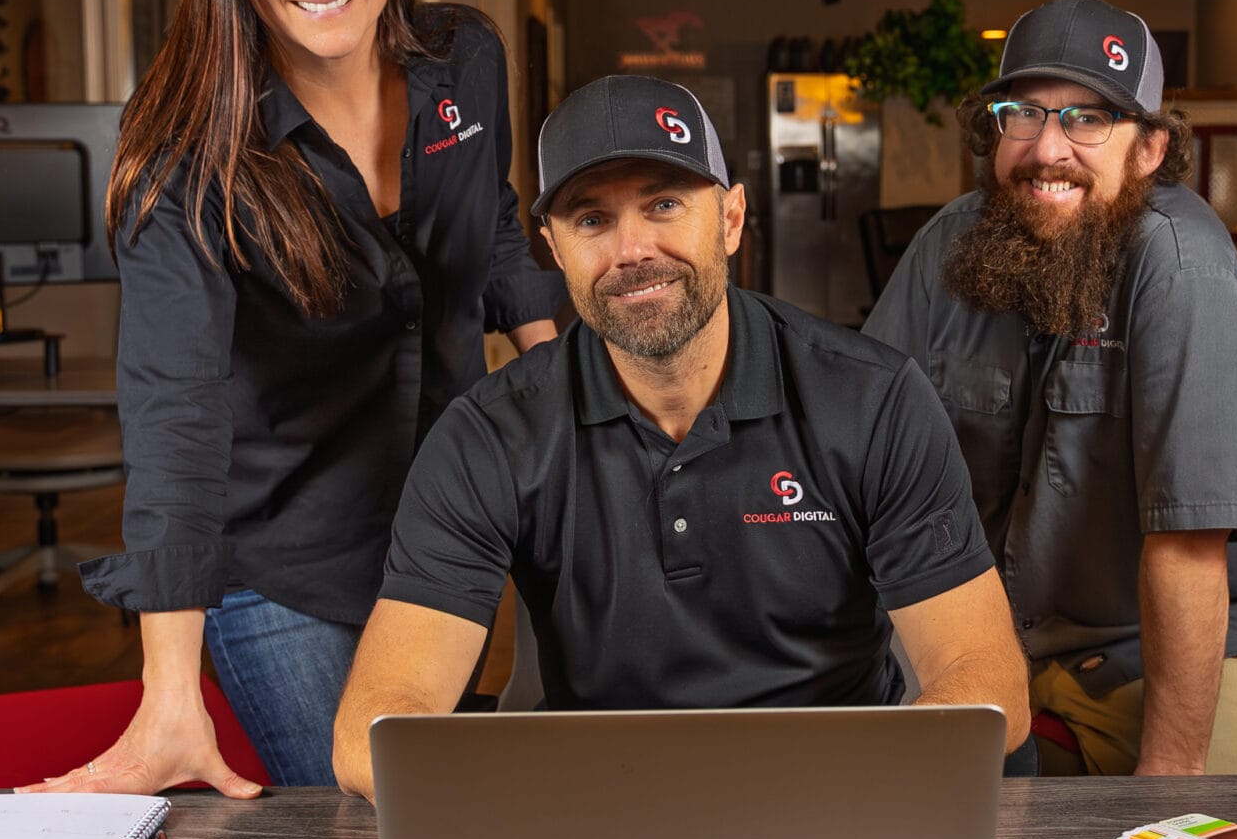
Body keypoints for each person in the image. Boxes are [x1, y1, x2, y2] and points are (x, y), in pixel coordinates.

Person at [26, 0, 562, 796]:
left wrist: (558, 369)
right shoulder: (185, 158)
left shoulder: (463, 63)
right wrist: (168, 693)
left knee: (450, 829)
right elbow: (174, 414)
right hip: (284, 568)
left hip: (446, 532)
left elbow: (488, 214)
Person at [330, 74, 1032, 801]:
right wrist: (523, 809)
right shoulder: (488, 434)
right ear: (553, 248)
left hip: (833, 797)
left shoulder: (871, 398)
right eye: (591, 220)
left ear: (730, 218)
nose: (632, 249)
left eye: (663, 205)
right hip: (596, 808)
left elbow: (984, 679)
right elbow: (372, 733)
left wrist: (861, 796)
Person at [863, 0, 1237, 777]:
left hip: (1149, 637)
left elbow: (1188, 542)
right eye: (1022, 114)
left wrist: (1168, 780)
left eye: (1089, 119)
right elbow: (858, 445)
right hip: (980, 627)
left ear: (1149, 149)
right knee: (870, 819)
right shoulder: (948, 244)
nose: (1047, 148)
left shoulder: (1181, 265)